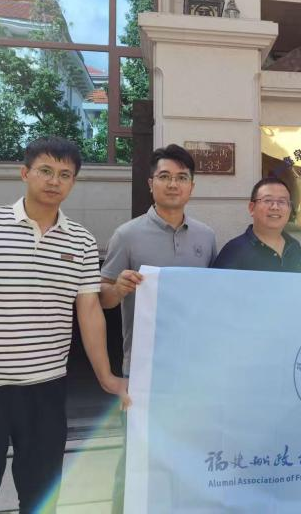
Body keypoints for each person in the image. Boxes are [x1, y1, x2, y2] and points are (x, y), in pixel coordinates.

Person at [0, 136, 129, 514]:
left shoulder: (82, 241)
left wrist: (107, 377)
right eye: (46, 171)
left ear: (73, 182)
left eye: (65, 175)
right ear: (25, 173)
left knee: (41, 499)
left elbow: (89, 311)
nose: (55, 181)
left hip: (46, 390)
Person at [100, 144, 217, 513]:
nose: (173, 184)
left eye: (181, 178)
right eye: (164, 177)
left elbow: (213, 298)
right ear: (151, 183)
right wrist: (118, 287)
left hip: (193, 371)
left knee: (190, 454)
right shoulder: (127, 235)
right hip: (143, 369)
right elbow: (103, 298)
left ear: (192, 186)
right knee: (137, 457)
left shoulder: (205, 237)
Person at [213, 177, 301, 272]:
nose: (275, 207)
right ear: (252, 208)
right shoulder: (233, 251)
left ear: (289, 209)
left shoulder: (294, 246)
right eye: (267, 200)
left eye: (282, 201)